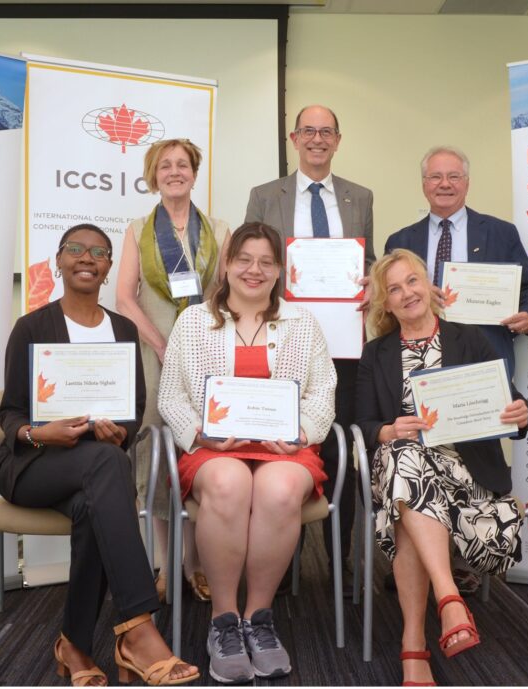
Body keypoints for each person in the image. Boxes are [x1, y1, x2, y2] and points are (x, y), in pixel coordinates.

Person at [0, 224, 199, 687]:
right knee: (111, 467)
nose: (87, 258)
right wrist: (37, 431)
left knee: (101, 485)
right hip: (33, 464)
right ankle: (138, 629)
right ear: (59, 261)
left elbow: (132, 412)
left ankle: (75, 644)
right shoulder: (32, 326)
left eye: (99, 252)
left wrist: (116, 434)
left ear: (109, 268)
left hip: (95, 469)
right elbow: (10, 413)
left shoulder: (123, 329)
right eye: (76, 250)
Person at [158, 222, 337, 683]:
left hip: (287, 447)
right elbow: (171, 397)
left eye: (266, 262)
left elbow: (323, 392)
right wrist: (199, 434)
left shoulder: (302, 323)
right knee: (228, 481)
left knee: (279, 491)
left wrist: (301, 432)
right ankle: (223, 622)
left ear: (280, 270)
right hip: (214, 448)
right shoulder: (194, 321)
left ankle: (258, 619)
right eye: (244, 259)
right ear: (227, 264)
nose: (254, 270)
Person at [355, 249, 528, 686]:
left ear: (428, 287)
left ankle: (415, 641)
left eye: (412, 281)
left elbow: (505, 403)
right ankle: (448, 596)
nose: (406, 293)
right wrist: (390, 430)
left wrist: (519, 414)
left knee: (407, 507)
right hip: (401, 462)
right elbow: (362, 422)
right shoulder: (376, 353)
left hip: (463, 470)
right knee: (404, 459)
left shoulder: (468, 338)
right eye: (394, 289)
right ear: (386, 303)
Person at [245, 104, 373, 585]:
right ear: (294, 139)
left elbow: (369, 259)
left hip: (342, 343)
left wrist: (371, 283)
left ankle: (337, 560)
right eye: (308, 131)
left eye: (326, 132)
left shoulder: (360, 196)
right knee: (282, 445)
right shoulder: (264, 195)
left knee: (337, 448)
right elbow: (252, 257)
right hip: (283, 340)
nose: (317, 139)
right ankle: (282, 566)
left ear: (337, 140)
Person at [117, 138, 230, 603]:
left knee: (203, 449)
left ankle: (198, 563)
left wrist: (196, 347)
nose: (175, 171)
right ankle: (167, 563)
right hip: (153, 356)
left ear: (194, 172)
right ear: (153, 174)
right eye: (166, 165)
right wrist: (162, 344)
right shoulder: (138, 228)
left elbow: (225, 291)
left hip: (207, 357)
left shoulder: (220, 229)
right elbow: (125, 296)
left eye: (183, 164)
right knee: (159, 457)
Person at [384, 145, 528, 380]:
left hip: (485, 354)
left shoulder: (501, 233)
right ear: (424, 185)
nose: (445, 184)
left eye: (454, 177)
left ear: (467, 183)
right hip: (418, 359)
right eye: (435, 177)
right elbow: (387, 301)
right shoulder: (400, 241)